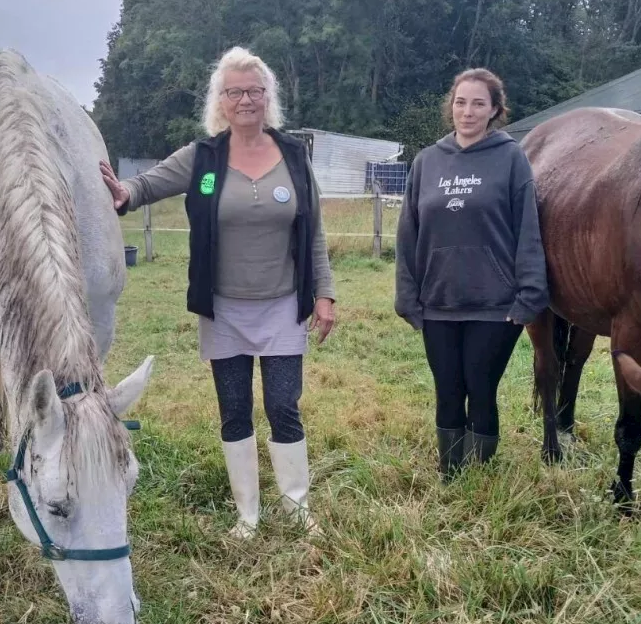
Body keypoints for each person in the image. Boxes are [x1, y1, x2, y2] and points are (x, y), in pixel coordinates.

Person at [99, 46, 336, 538]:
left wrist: (325, 293)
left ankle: (296, 506)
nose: (245, 100)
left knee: (283, 405)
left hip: (283, 306)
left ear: (267, 96)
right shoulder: (203, 157)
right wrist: (123, 193)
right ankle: (247, 515)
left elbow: (313, 231)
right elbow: (148, 184)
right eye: (234, 92)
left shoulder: (294, 155)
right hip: (224, 308)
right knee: (233, 409)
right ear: (220, 101)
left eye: (254, 91)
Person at [394, 68, 548, 480]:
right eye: (461, 102)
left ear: (495, 109)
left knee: (480, 388)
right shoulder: (427, 161)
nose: (468, 111)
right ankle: (451, 472)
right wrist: (407, 295)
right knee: (448, 390)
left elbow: (528, 229)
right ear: (451, 106)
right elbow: (408, 233)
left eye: (479, 103)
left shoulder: (511, 158)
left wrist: (531, 294)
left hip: (494, 305)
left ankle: (480, 475)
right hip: (438, 302)